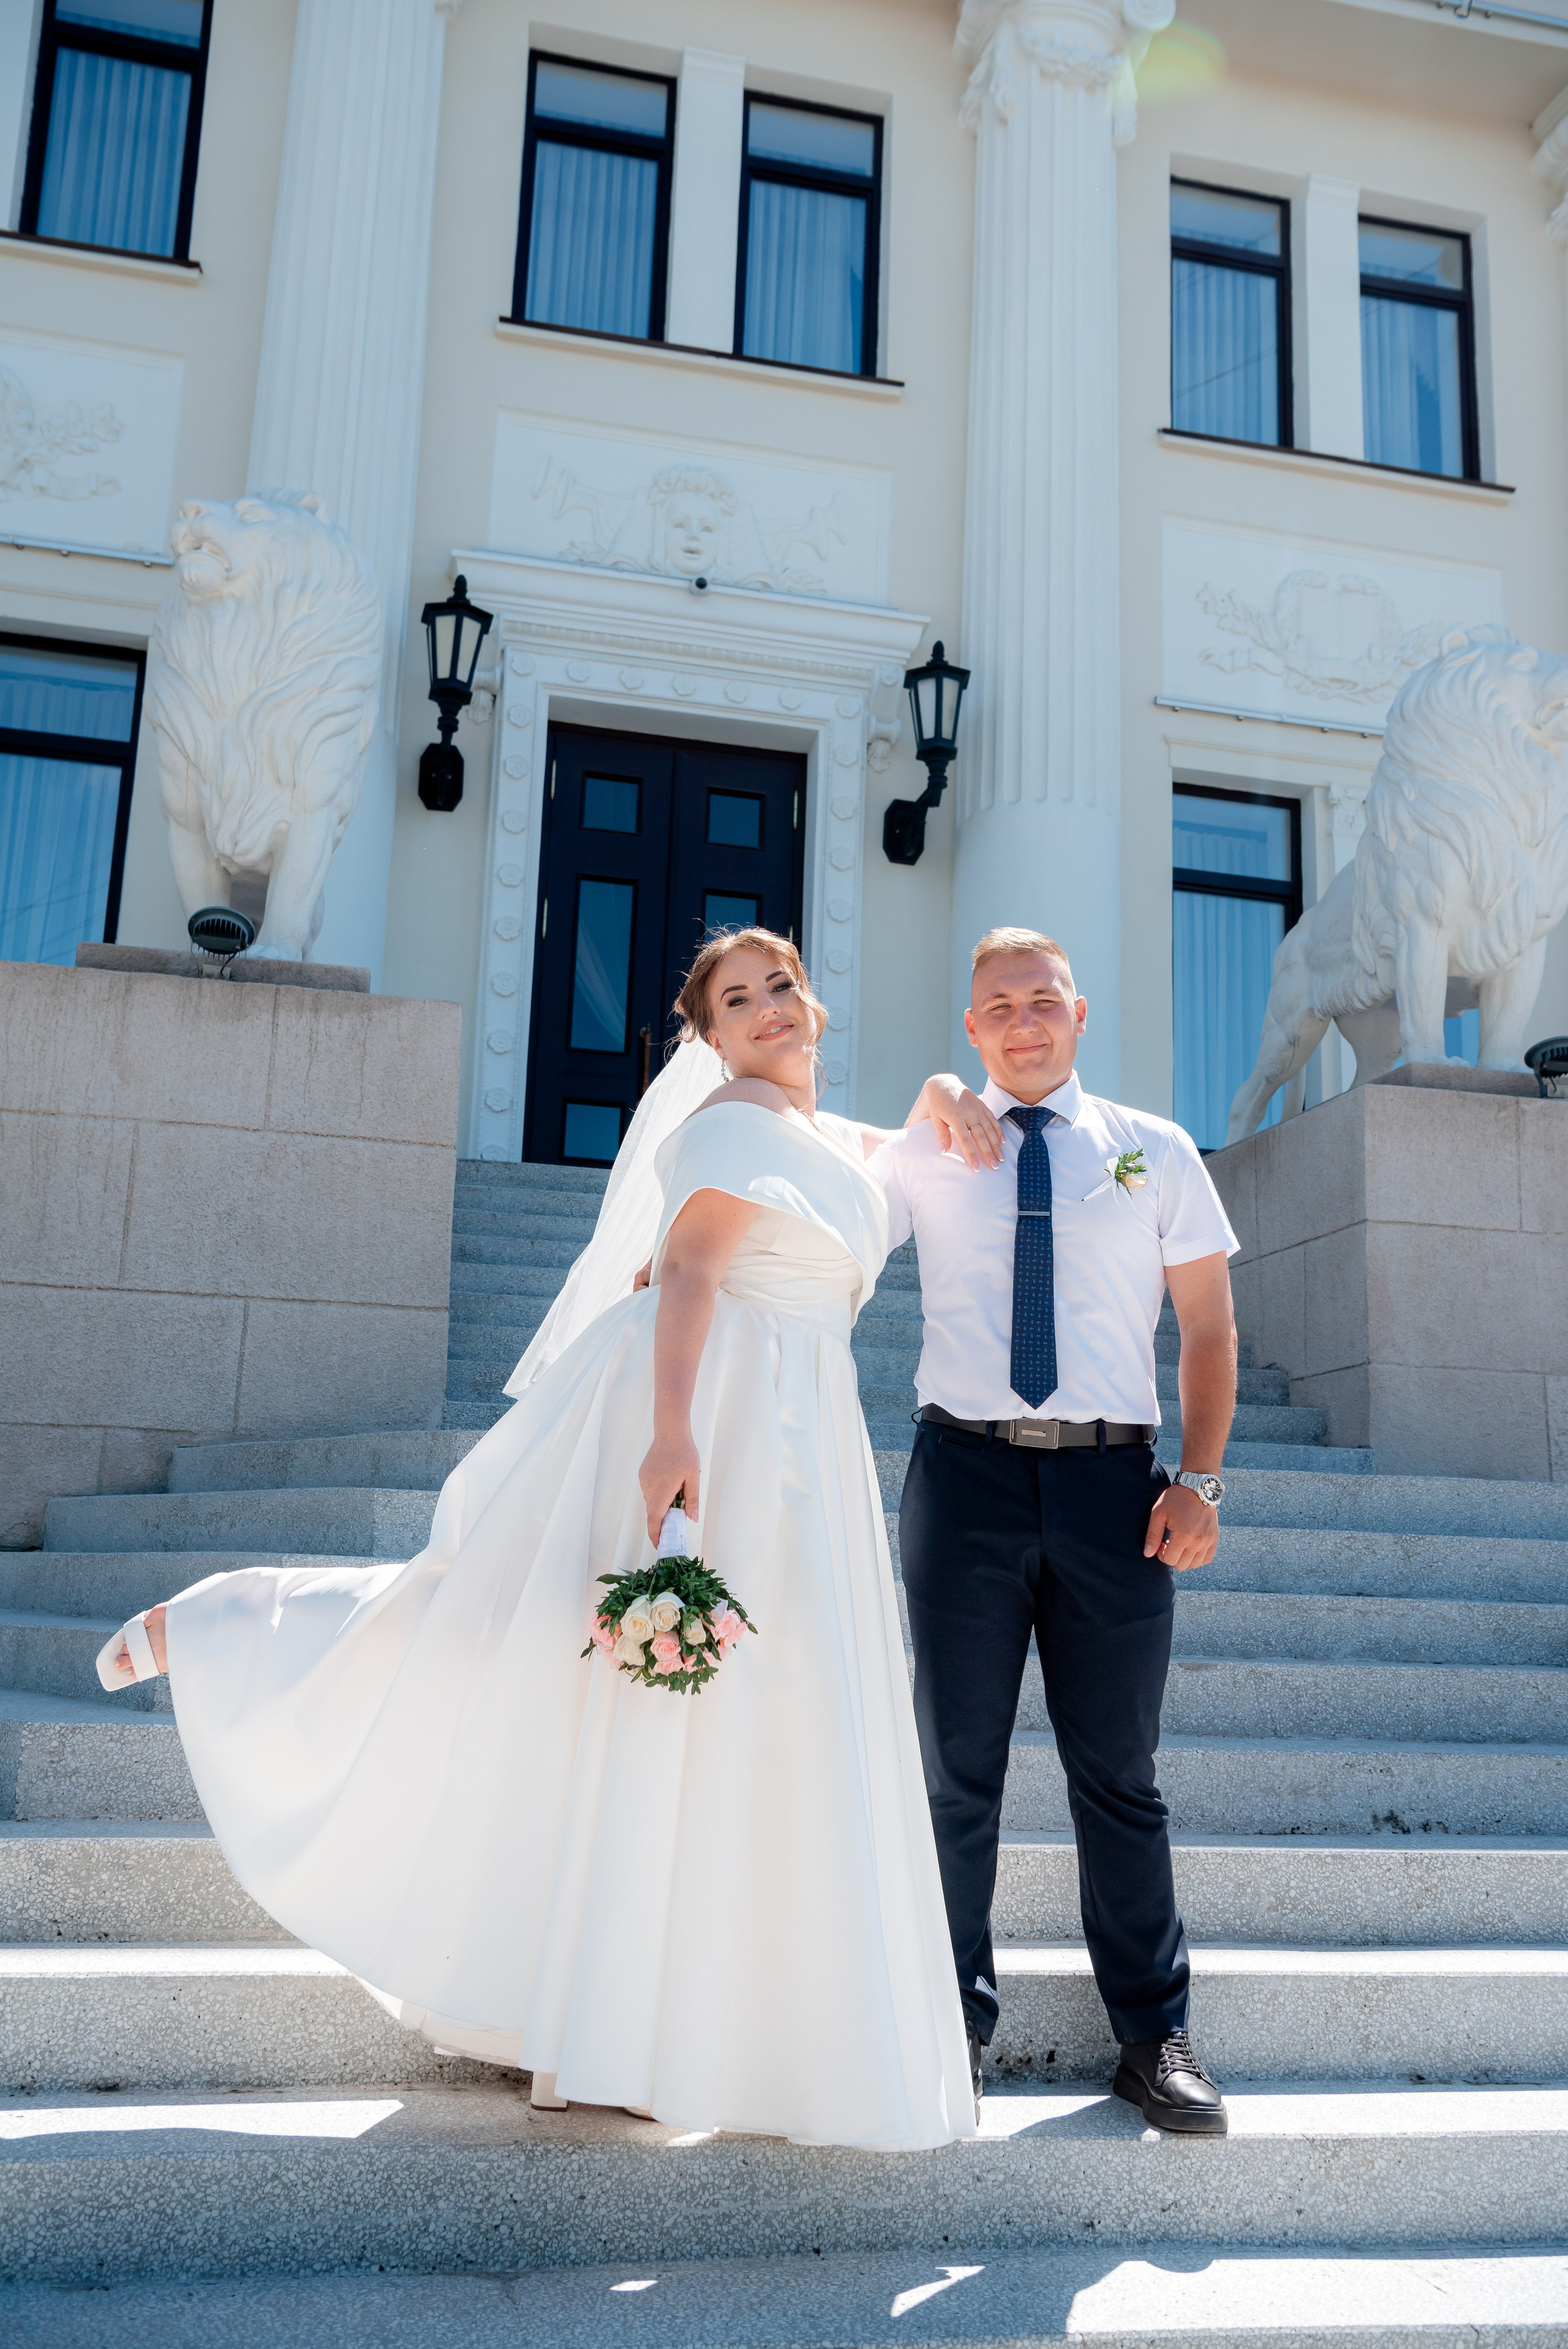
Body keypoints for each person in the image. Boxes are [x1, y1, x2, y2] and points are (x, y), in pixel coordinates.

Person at [95, 929, 996, 2151]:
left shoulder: (818, 1141)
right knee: (512, 1634)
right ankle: (227, 1628)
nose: (768, 1008)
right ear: (711, 1037)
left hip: (797, 1432)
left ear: (812, 1002)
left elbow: (888, 1163)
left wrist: (943, 1090)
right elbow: (685, 1270)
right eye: (738, 1001)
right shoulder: (728, 1124)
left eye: (779, 985)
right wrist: (673, 1438)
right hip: (715, 1410)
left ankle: (651, 2027)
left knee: (712, 1717)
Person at [872, 927, 1239, 2136]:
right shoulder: (925, 1147)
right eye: (996, 1008)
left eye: (1041, 1000)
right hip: (961, 1479)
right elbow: (809, 1221)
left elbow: (1204, 1328)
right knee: (952, 1777)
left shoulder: (1154, 1149)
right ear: (969, 1028)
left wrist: (1199, 1479)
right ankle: (945, 2033)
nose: (1021, 1022)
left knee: (1117, 1777)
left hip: (1110, 1491)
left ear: (1077, 1014)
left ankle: (1151, 2035)